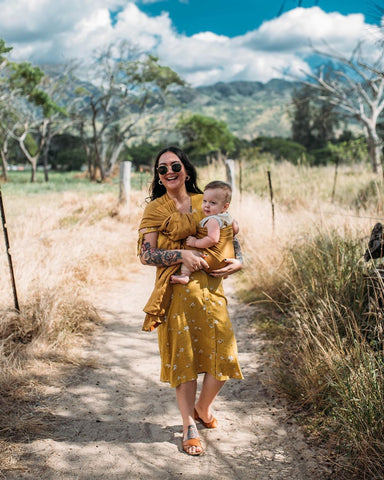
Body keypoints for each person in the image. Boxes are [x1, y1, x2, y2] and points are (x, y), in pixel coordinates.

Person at [138, 146, 243, 456]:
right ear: (158, 176)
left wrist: (240, 260)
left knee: (223, 356)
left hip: (211, 291)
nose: (169, 171)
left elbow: (228, 236)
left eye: (174, 165)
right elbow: (146, 255)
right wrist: (182, 254)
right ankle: (189, 426)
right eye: (162, 168)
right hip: (175, 293)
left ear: (185, 169)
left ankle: (203, 407)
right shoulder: (155, 210)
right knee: (184, 361)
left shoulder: (205, 200)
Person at [170, 180, 239, 285]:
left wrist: (195, 242)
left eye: (213, 203)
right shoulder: (228, 217)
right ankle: (224, 272)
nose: (207, 205)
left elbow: (213, 239)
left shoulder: (213, 220)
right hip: (228, 258)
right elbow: (235, 230)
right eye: (205, 201)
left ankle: (184, 275)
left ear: (225, 206)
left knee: (190, 253)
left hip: (213, 260)